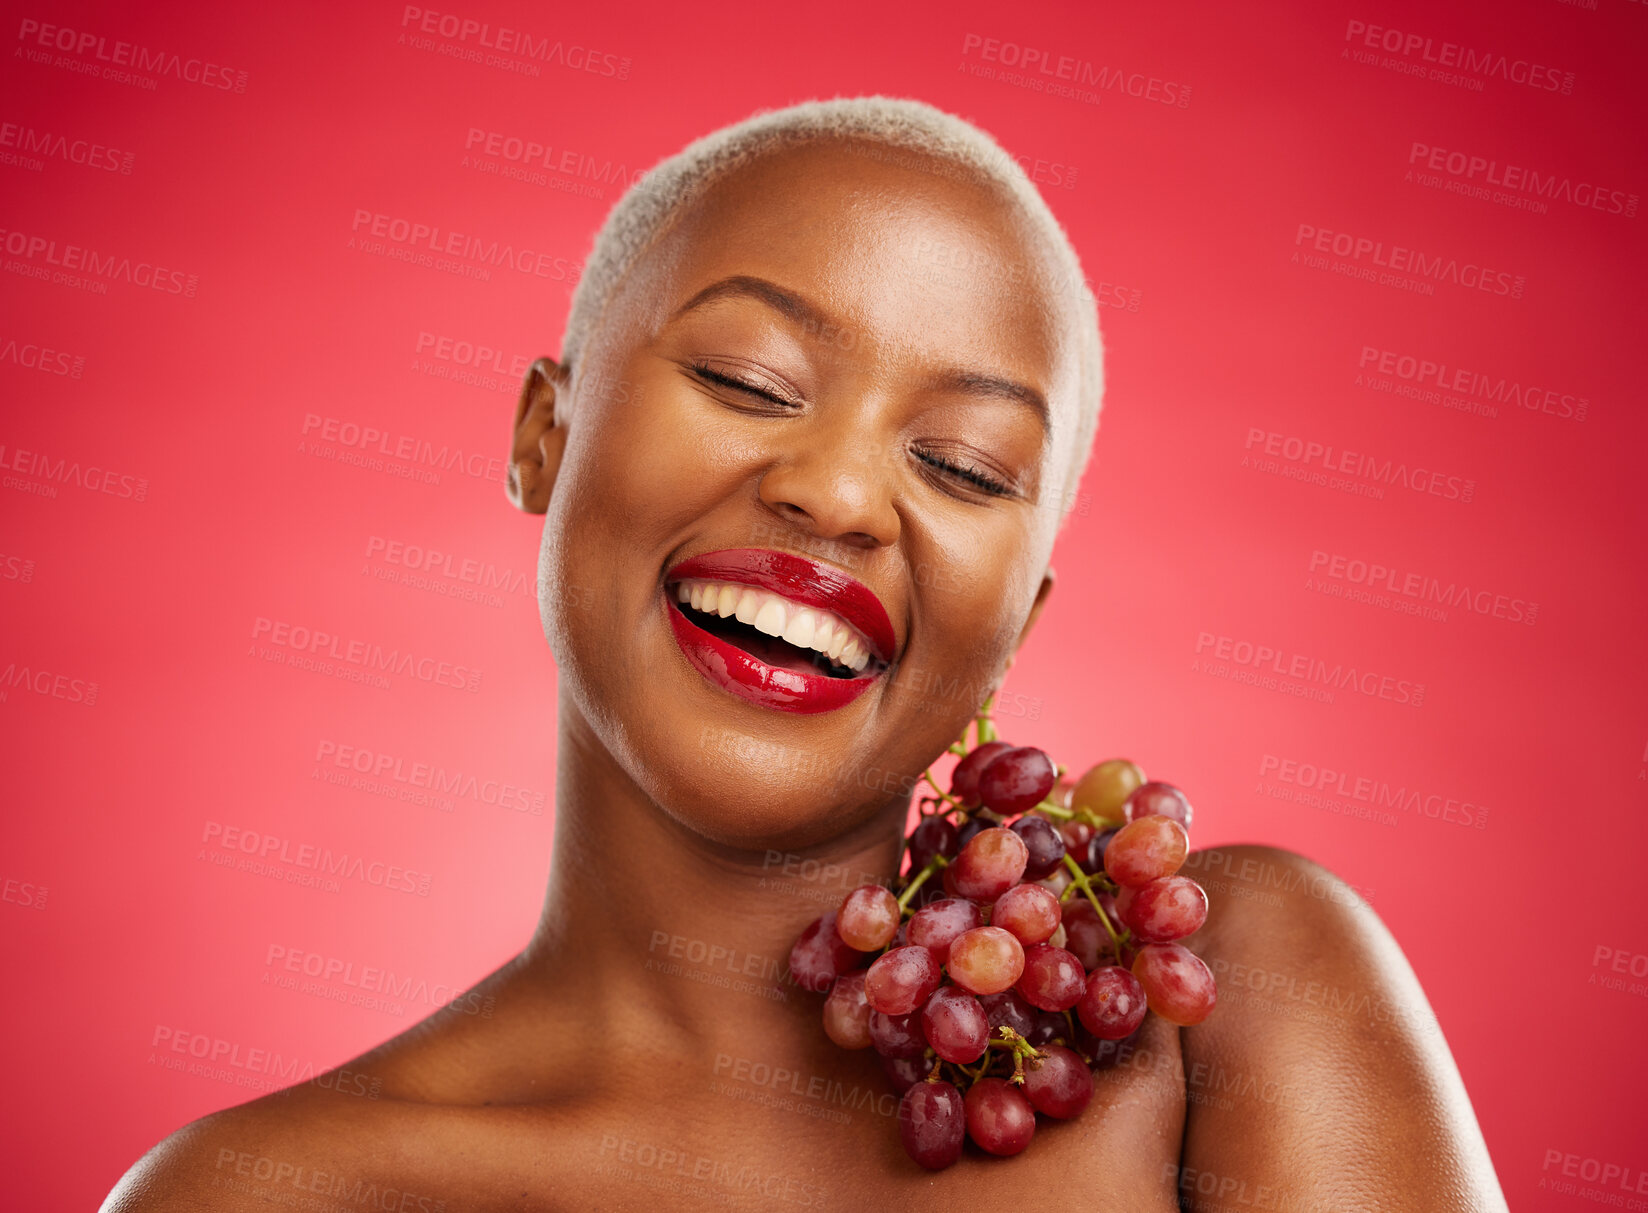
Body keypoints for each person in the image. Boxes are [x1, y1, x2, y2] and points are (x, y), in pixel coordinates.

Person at [104, 97, 1507, 1211]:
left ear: (1019, 623)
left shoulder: (1221, 1006)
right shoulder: (262, 1195)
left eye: (960, 466)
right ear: (546, 437)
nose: (837, 496)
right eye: (745, 380)